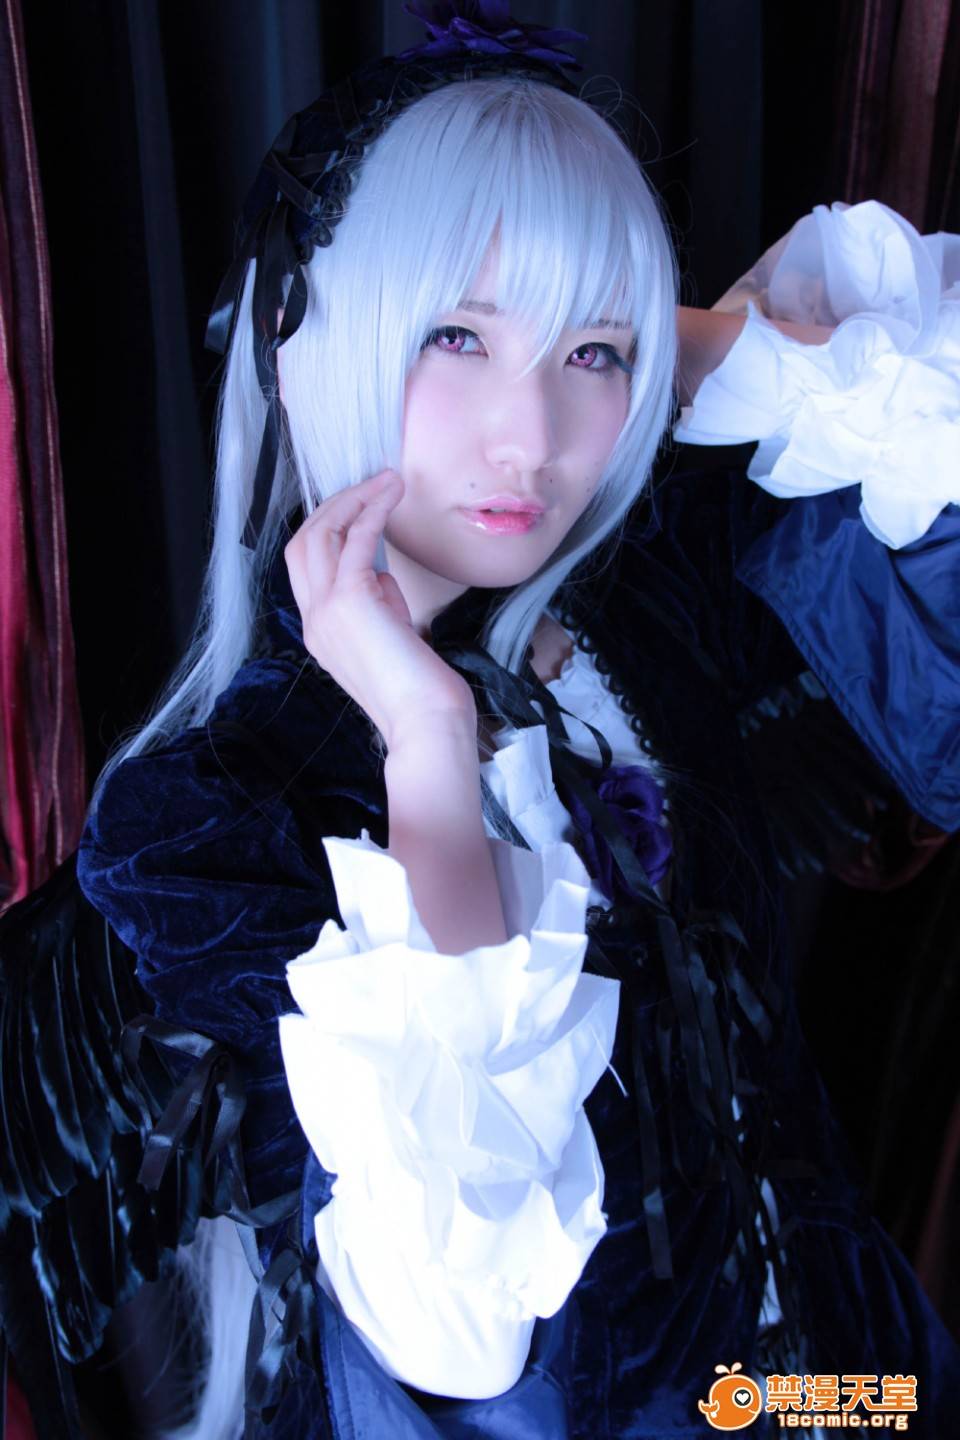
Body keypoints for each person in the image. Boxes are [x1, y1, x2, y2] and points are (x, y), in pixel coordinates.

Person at [4, 6, 960, 1439]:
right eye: (456, 334)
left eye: (594, 355)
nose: (534, 440)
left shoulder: (665, 603)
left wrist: (670, 338)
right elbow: (456, 1345)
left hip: (860, 1390)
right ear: (305, 341)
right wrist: (428, 746)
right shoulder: (212, 819)